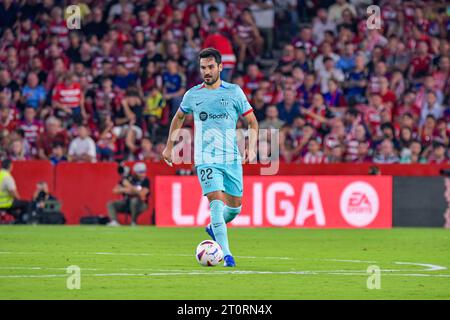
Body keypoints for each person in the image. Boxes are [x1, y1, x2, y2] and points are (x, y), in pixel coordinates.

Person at [162, 48, 259, 267]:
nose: (206, 71)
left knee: (234, 208)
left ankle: (213, 227)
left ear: (220, 67)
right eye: (203, 68)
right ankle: (226, 255)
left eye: (210, 67)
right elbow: (178, 119)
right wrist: (169, 146)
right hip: (205, 158)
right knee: (216, 203)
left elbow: (252, 122)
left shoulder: (234, 92)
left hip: (231, 158)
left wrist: (251, 148)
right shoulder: (192, 95)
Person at [107, 162, 150, 226]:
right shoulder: (129, 179)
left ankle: (133, 222)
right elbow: (114, 190)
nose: (143, 174)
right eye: (140, 172)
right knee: (111, 204)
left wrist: (129, 186)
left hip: (141, 204)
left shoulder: (145, 180)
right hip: (126, 202)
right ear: (135, 172)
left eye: (144, 172)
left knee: (134, 201)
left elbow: (142, 194)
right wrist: (124, 190)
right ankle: (114, 221)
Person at [0, 159, 30, 223]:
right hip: (6, 203)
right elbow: (13, 192)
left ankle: (15, 219)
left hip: (3, 203)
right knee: (26, 204)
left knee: (14, 211)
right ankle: (21, 221)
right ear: (10, 166)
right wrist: (18, 199)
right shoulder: (7, 177)